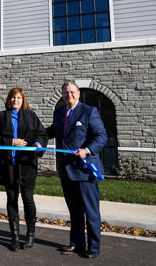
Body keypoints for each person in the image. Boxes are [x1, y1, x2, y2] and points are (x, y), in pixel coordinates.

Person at [46, 81, 107, 259]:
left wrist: (86, 150)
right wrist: (34, 137)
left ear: (78, 93)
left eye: (71, 92)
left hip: (85, 170)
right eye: (65, 93)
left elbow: (101, 136)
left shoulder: (89, 111)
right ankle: (77, 243)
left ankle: (93, 246)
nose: (68, 95)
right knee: (74, 210)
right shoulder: (59, 112)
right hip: (66, 170)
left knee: (91, 210)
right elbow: (53, 131)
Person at [0, 87, 48, 251]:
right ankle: (14, 235)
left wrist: (38, 144)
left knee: (28, 199)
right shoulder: (2, 117)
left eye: (18, 98)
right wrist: (12, 142)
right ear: (9, 100)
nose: (15, 100)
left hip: (27, 166)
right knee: (11, 200)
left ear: (22, 100)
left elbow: (41, 134)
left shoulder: (31, 116)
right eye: (13, 98)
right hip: (8, 165)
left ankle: (30, 235)